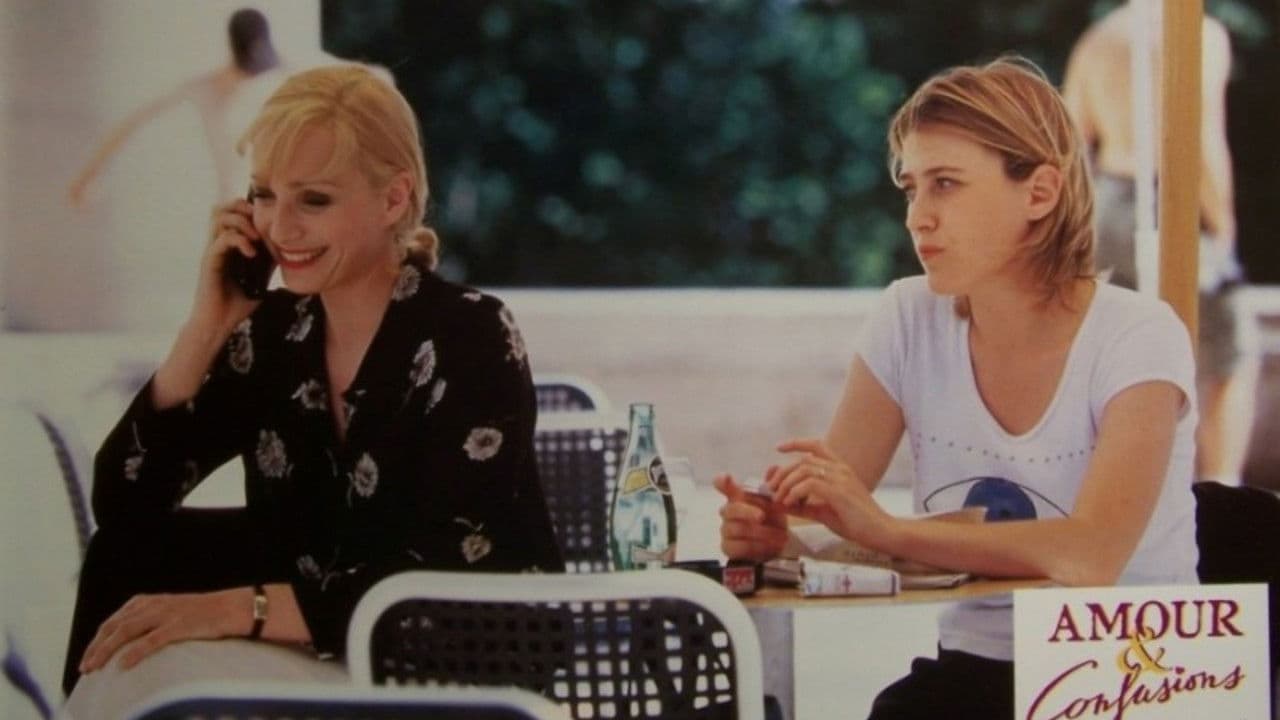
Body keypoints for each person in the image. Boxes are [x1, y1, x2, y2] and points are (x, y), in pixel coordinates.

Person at [716, 56, 1199, 719]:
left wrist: (889, 530)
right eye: (911, 188)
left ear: (1040, 193)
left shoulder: (1139, 334)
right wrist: (778, 537)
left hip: (1136, 678)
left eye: (946, 184)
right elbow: (833, 518)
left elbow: (1089, 555)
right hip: (978, 670)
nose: (918, 217)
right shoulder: (907, 318)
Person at [61, 63, 563, 700]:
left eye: (313, 200)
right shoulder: (275, 332)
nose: (279, 228)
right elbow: (124, 505)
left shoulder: (471, 333)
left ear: (393, 199)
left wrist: (241, 609)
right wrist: (204, 329)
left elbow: (438, 570)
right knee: (122, 556)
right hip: (318, 639)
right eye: (264, 195)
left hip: (458, 661)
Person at [1063, 3, 1257, 486]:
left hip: (1106, 204)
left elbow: (1070, 139)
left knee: (1124, 354)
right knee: (1230, 351)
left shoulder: (1100, 37)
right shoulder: (1198, 34)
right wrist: (1223, 224)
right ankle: (1221, 490)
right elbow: (1200, 137)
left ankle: (1125, 487)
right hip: (1171, 200)